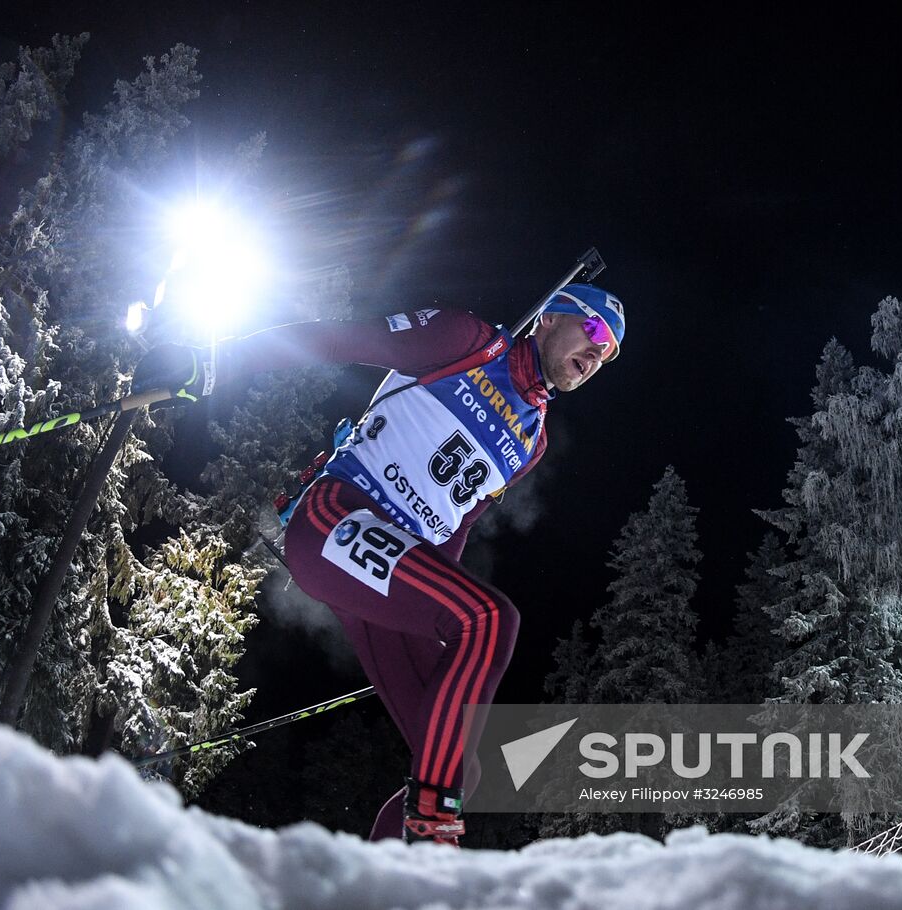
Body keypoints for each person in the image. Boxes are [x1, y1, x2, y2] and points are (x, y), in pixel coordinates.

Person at [136, 284, 625, 846]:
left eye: (607, 352)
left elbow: (455, 524)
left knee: (459, 763)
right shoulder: (469, 342)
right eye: (591, 331)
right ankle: (433, 835)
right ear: (547, 318)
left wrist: (436, 629)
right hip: (335, 517)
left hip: (390, 563)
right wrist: (213, 359)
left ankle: (379, 879)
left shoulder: (532, 438)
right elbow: (340, 341)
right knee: (492, 620)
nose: (595, 353)